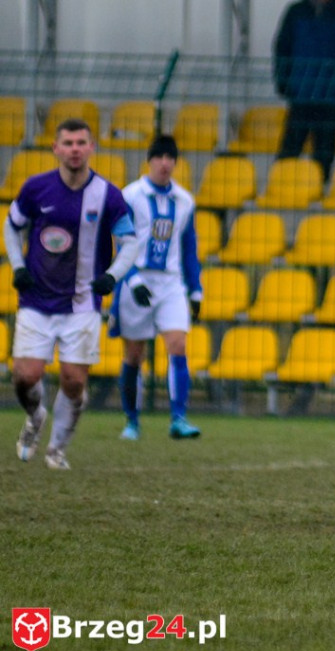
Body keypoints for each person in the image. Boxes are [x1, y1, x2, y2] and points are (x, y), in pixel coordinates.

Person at [3, 118, 141, 470]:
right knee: (25, 376)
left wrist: (111, 276)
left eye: (81, 142)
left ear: (91, 147)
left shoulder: (108, 195)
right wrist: (17, 266)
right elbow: (11, 225)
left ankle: (57, 449)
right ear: (56, 148)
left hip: (81, 304)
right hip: (36, 301)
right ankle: (35, 418)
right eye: (68, 143)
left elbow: (129, 242)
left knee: (74, 381)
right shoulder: (36, 188)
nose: (75, 149)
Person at [111, 135, 204, 442]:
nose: (165, 163)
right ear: (149, 160)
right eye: (159, 156)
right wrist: (132, 279)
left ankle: (179, 418)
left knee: (178, 344)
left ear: (176, 162)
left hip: (170, 283)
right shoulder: (131, 195)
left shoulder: (185, 200)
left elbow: (189, 246)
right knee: (134, 354)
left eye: (170, 157)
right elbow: (122, 242)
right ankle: (132, 421)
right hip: (136, 280)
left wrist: (196, 289)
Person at [273, 0, 335, 182]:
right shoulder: (295, 12)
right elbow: (282, 47)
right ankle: (282, 184)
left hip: (330, 94)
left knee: (325, 149)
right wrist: (282, 80)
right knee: (291, 146)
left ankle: (321, 187)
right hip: (301, 93)